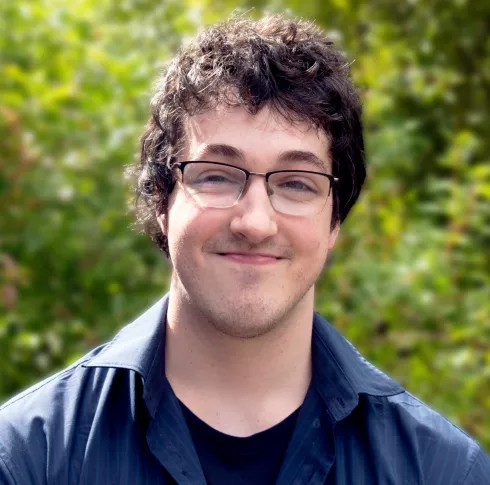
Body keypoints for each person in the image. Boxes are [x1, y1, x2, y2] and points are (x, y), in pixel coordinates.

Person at [0, 14, 489, 485]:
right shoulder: (29, 458)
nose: (255, 222)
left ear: (335, 218)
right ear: (161, 199)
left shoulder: (442, 471)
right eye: (216, 176)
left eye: (297, 183)